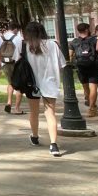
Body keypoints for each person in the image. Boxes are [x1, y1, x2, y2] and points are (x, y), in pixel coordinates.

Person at [22, 22, 64, 157]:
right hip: (50, 82)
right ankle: (53, 144)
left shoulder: (26, 46)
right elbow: (62, 64)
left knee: (33, 112)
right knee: (50, 113)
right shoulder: (52, 45)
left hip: (32, 83)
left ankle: (34, 136)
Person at [70, 23, 98, 117]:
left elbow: (70, 55)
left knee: (85, 87)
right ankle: (92, 108)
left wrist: (71, 65)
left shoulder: (74, 42)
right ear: (87, 30)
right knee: (93, 88)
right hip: (93, 66)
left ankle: (89, 101)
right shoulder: (94, 40)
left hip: (81, 67)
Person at [0, 22, 24, 114]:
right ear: (15, 28)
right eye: (17, 30)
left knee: (10, 83)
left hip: (5, 64)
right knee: (19, 86)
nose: (17, 32)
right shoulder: (19, 38)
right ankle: (17, 108)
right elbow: (21, 54)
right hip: (17, 64)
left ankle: (9, 102)